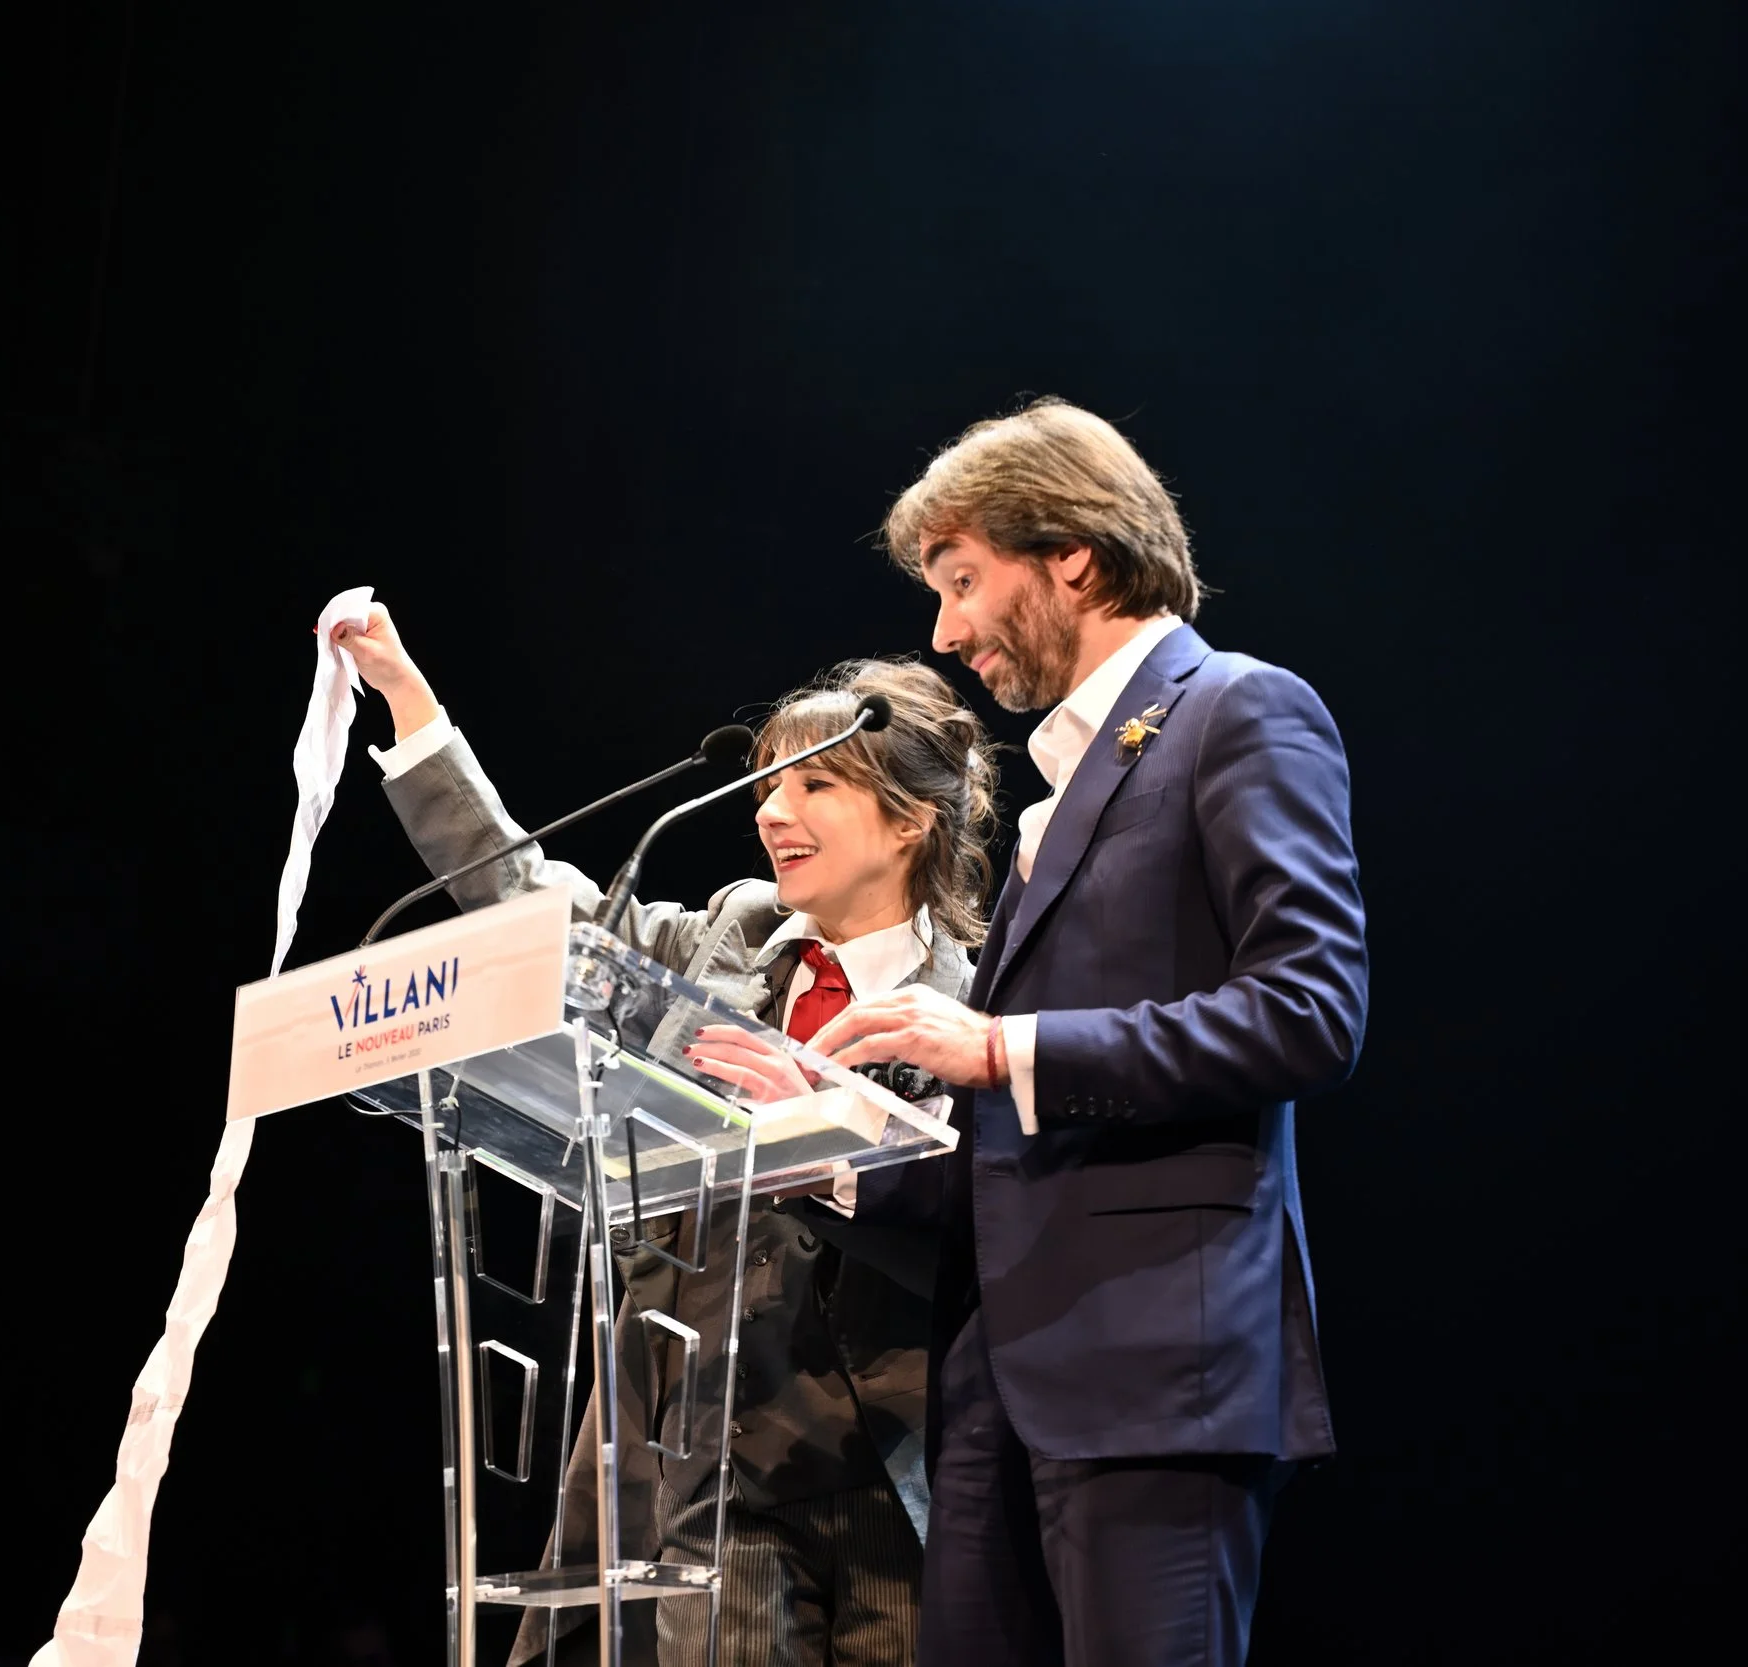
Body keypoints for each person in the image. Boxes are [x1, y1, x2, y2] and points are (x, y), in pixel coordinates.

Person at [806, 398, 1369, 1667]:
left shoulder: (1239, 710)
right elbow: (1005, 1148)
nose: (944, 632)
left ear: (1072, 553)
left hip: (1152, 1373)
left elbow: (1310, 1011)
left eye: (962, 580)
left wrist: (1003, 1048)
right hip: (997, 1387)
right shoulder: (1064, 791)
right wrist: (810, 1135)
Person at [339, 606, 1001, 1667]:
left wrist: (822, 1117)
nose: (771, 810)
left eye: (813, 784)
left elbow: (995, 1212)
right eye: (769, 784)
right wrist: (406, 699)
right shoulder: (727, 937)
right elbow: (529, 902)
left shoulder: (981, 1001)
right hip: (717, 1457)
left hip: (903, 1459)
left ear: (909, 822)